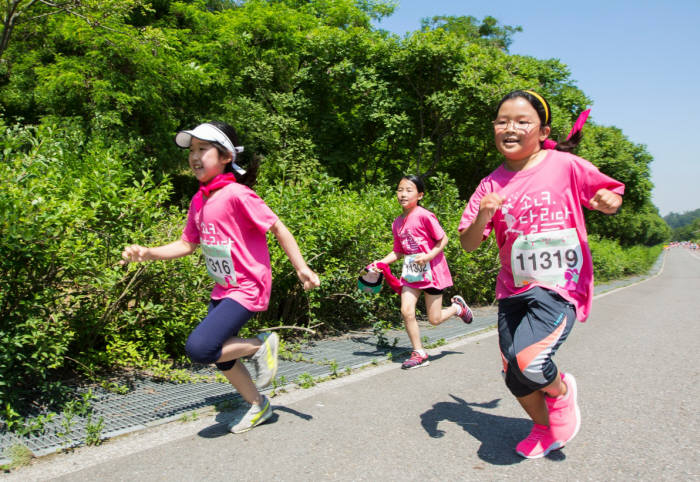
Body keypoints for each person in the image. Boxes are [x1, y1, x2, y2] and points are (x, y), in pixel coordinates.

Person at [121, 121, 320, 433]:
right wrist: (148, 252)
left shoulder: (237, 194)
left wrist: (301, 267)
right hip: (224, 288)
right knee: (223, 355)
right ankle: (259, 406)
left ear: (226, 156)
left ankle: (260, 345)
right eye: (192, 150)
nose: (195, 156)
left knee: (201, 349)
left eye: (203, 149)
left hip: (248, 285)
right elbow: (187, 244)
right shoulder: (200, 200)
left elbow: (278, 227)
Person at [458, 90, 624, 458]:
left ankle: (561, 393)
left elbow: (610, 192)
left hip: (559, 283)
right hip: (512, 288)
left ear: (542, 129)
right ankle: (543, 428)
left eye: (521, 121)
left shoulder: (564, 165)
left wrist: (611, 200)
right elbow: (469, 243)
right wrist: (484, 214)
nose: (509, 128)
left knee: (529, 360)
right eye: (502, 121)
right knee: (513, 373)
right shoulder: (490, 183)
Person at [371, 175, 473, 370]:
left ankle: (456, 308)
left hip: (432, 272)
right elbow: (398, 251)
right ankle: (419, 352)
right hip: (411, 274)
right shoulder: (397, 222)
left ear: (420, 195)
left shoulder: (424, 215)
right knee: (406, 311)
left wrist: (428, 256)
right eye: (400, 190)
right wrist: (380, 262)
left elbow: (443, 240)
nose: (403, 194)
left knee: (434, 319)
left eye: (409, 190)